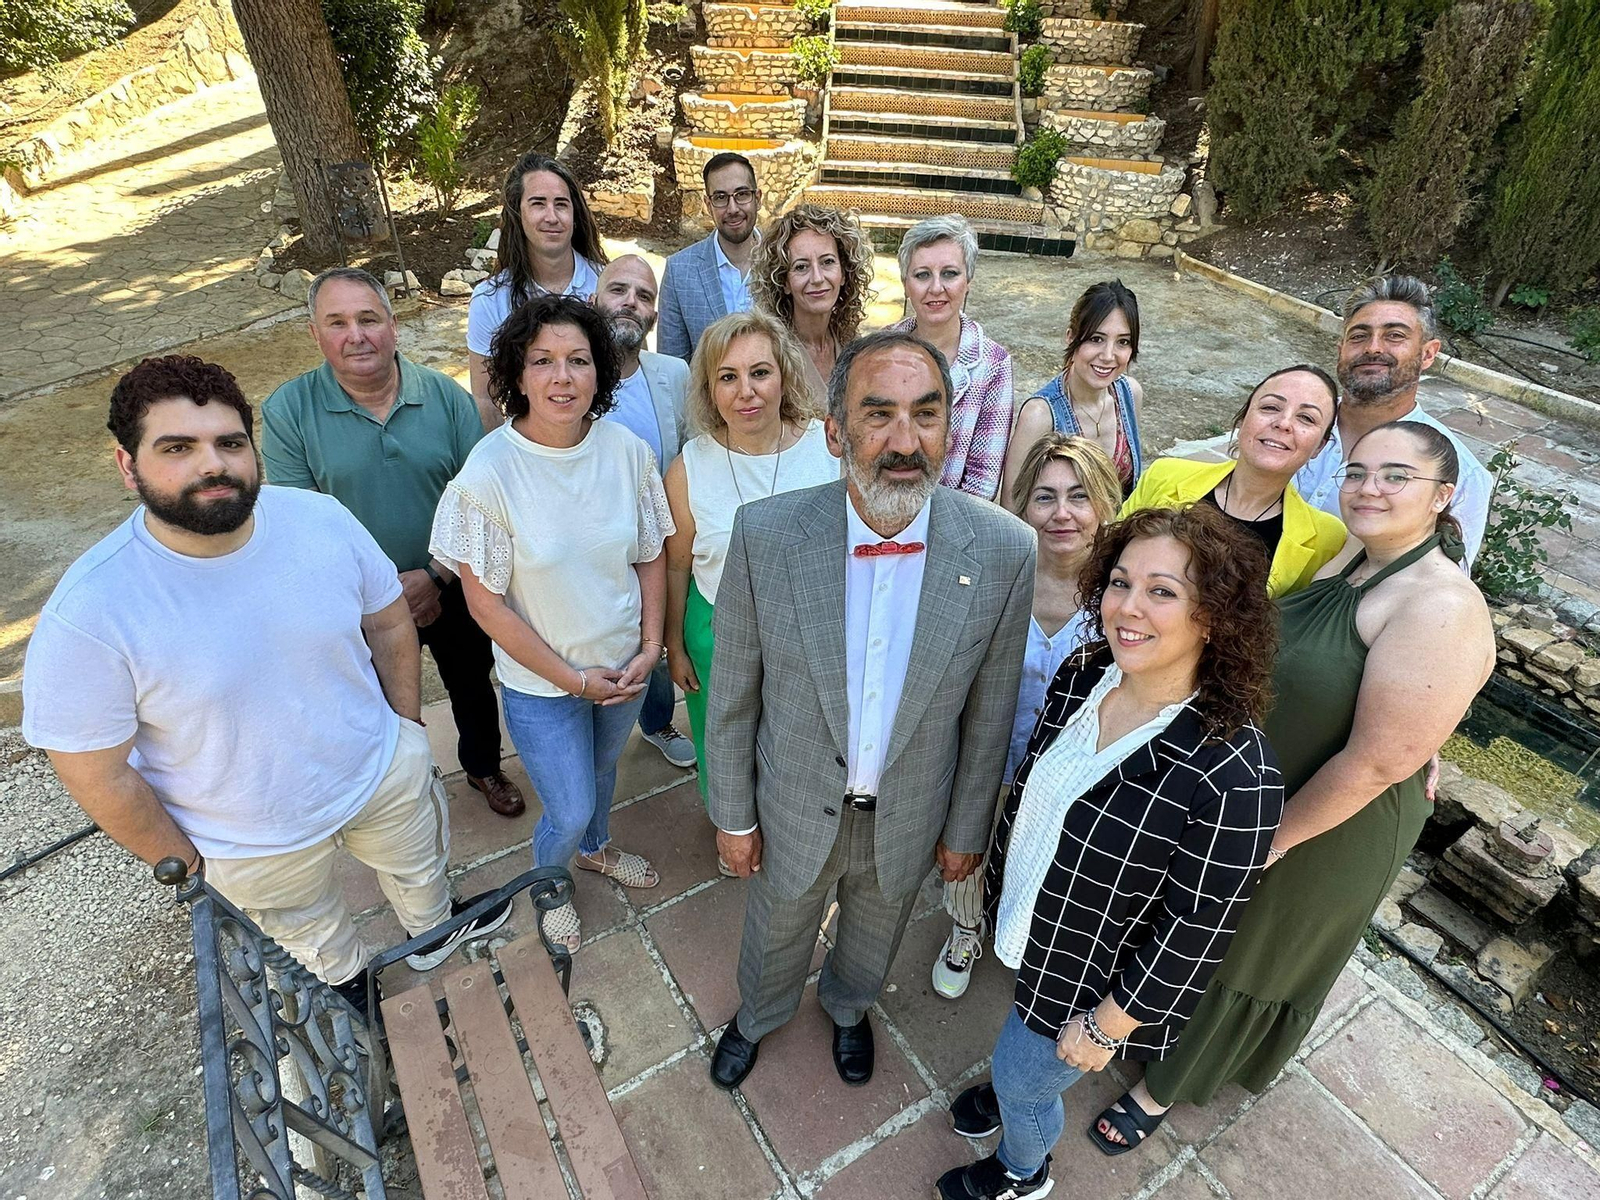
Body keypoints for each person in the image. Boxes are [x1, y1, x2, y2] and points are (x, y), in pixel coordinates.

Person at [22, 356, 510, 1016]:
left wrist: (406, 732)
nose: (212, 465)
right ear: (126, 464)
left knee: (423, 871)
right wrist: (188, 865)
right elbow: (95, 772)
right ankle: (355, 1004)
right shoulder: (91, 610)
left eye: (229, 442)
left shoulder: (318, 518)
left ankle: (432, 933)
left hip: (377, 773)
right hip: (251, 841)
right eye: (177, 448)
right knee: (317, 946)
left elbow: (390, 621)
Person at [1099, 421, 1494, 1157]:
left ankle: (1162, 1087)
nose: (1367, 488)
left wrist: (1269, 841)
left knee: (1249, 946)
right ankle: (1148, 1024)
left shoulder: (1440, 603)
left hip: (1324, 823)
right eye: (1356, 472)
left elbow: (1376, 762)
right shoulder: (1358, 554)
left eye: (1394, 476)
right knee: (1200, 922)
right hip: (1262, 791)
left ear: (1443, 497)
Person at [704, 330, 1036, 1093]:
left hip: (912, 806)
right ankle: (757, 1014)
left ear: (950, 428)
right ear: (833, 431)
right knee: (777, 919)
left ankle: (850, 1008)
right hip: (791, 800)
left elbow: (989, 715)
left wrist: (963, 832)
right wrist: (732, 813)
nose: (903, 440)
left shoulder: (1003, 551)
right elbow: (731, 694)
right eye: (877, 415)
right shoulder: (767, 535)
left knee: (876, 928)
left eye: (925, 415)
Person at [936, 504, 1283, 1200]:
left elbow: (1197, 930)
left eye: (1164, 592)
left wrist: (1105, 1027)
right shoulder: (1086, 671)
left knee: (1026, 1078)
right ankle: (1017, 1089)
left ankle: (1020, 1170)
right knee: (1024, 1053)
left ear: (1213, 616)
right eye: (1121, 583)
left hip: (1094, 979)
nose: (1129, 607)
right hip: (1038, 925)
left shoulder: (1234, 773)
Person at [430, 295, 673, 953]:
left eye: (578, 360)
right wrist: (572, 678)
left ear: (601, 373)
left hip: (622, 669)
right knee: (564, 806)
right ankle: (551, 879)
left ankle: (595, 849)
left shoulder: (626, 452)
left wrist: (651, 646)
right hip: (544, 686)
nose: (562, 377)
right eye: (542, 361)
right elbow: (485, 606)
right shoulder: (489, 475)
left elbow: (651, 551)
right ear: (515, 373)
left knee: (599, 778)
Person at [261, 267, 526, 819]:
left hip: (450, 582)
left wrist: (435, 576)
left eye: (368, 318)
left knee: (473, 686)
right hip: (355, 599)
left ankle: (482, 766)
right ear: (315, 334)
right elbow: (302, 521)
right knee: (370, 699)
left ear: (394, 325)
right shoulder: (288, 411)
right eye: (337, 322)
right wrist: (381, 591)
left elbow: (479, 501)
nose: (355, 335)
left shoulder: (446, 398)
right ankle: (391, 791)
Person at [930, 434, 1123, 1001]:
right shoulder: (997, 579)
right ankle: (966, 928)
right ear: (1023, 508)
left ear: (1105, 505)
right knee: (974, 844)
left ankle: (1038, 942)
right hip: (992, 755)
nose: (1062, 513)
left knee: (1053, 863)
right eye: (1045, 497)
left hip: (1072, 774)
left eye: (1079, 496)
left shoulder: (1119, 595)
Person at [663, 309, 837, 812]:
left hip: (809, 626)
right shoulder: (690, 466)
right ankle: (731, 820)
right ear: (710, 389)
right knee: (723, 735)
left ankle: (792, 819)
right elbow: (677, 563)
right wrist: (674, 643)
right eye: (728, 377)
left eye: (760, 372)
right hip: (718, 625)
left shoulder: (825, 451)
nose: (746, 391)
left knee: (800, 735)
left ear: (784, 374)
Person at [1295, 274, 1492, 564]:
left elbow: (1438, 587)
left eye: (1395, 335)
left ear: (1428, 354)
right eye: (1359, 336)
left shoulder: (1458, 473)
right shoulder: (1290, 427)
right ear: (1341, 349)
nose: (1373, 348)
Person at [591, 254, 697, 770]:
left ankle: (656, 723)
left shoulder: (674, 374)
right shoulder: (572, 374)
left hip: (658, 541)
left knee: (656, 642)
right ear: (594, 300)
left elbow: (692, 449)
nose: (631, 302)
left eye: (644, 295)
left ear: (655, 315)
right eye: (619, 290)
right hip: (592, 546)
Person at [1120, 365, 1347, 598]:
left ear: (1320, 446)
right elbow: (1108, 561)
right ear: (1242, 420)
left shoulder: (1327, 539)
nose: (1283, 423)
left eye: (1306, 418)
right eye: (1270, 407)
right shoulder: (1165, 476)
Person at [467, 152, 608, 430]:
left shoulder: (608, 285)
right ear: (517, 214)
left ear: (575, 214)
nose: (552, 216)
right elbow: (486, 399)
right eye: (538, 204)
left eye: (561, 204)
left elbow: (633, 376)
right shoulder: (490, 300)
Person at [888, 214, 1015, 501]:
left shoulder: (993, 364)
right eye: (922, 275)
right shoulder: (877, 351)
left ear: (967, 280)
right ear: (905, 283)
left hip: (952, 524)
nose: (936, 288)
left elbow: (983, 481)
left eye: (949, 273)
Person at [1001, 280, 1146, 501]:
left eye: (1123, 342)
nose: (1108, 355)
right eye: (1096, 339)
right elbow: (1012, 507)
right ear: (1070, 336)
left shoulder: (1129, 395)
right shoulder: (1040, 415)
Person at [749, 202, 875, 407]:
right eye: (801, 267)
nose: (817, 278)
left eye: (827, 262)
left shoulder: (851, 343)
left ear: (844, 273)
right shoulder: (770, 351)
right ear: (784, 282)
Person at [658, 151, 761, 361]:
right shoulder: (679, 272)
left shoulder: (784, 261)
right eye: (720, 198)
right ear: (708, 204)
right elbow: (672, 367)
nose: (733, 209)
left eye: (742, 194)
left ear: (757, 198)